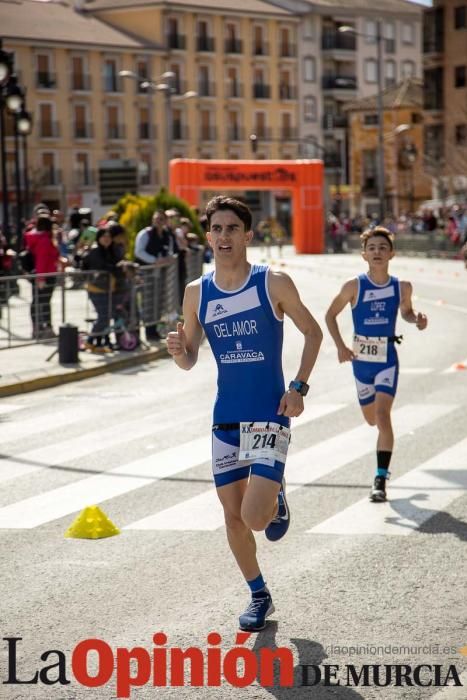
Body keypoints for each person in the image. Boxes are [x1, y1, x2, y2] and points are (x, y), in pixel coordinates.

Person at [167, 195, 322, 632]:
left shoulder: (271, 282)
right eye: (215, 229)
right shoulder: (197, 292)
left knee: (256, 517)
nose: (223, 236)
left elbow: (312, 333)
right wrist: (179, 351)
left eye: (231, 228)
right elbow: (191, 357)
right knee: (233, 518)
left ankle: (276, 498)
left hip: (270, 414)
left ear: (248, 235)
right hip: (226, 419)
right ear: (208, 236)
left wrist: (298, 387)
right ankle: (258, 594)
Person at [325, 226, 428, 503]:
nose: (377, 252)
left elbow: (406, 313)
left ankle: (380, 478)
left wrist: (416, 317)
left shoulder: (401, 286)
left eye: (383, 247)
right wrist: (341, 346)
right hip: (360, 363)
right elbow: (330, 315)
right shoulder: (353, 286)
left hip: (387, 360)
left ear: (391, 253)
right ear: (363, 255)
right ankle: (381, 469)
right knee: (371, 420)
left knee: (383, 417)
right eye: (372, 248)